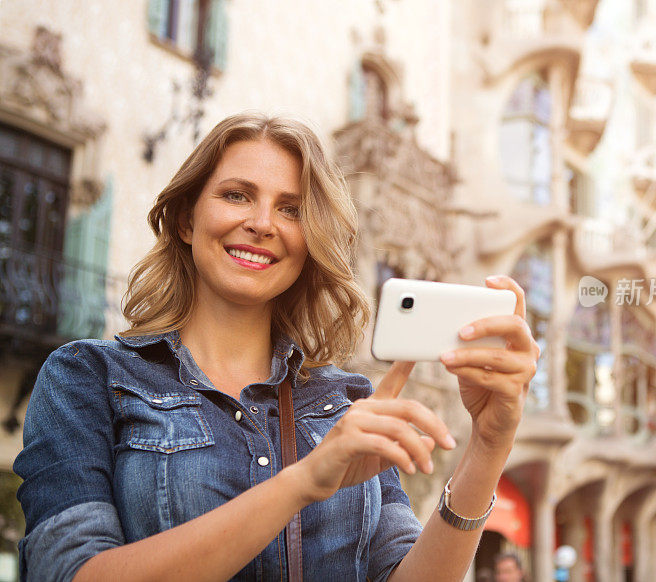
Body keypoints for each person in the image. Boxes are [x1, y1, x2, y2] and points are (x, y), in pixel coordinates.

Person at [13, 112, 540, 581]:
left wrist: (489, 446)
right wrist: (304, 481)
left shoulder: (347, 403)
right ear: (185, 219)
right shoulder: (89, 377)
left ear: (310, 242)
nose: (262, 224)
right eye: (236, 195)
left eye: (290, 210)